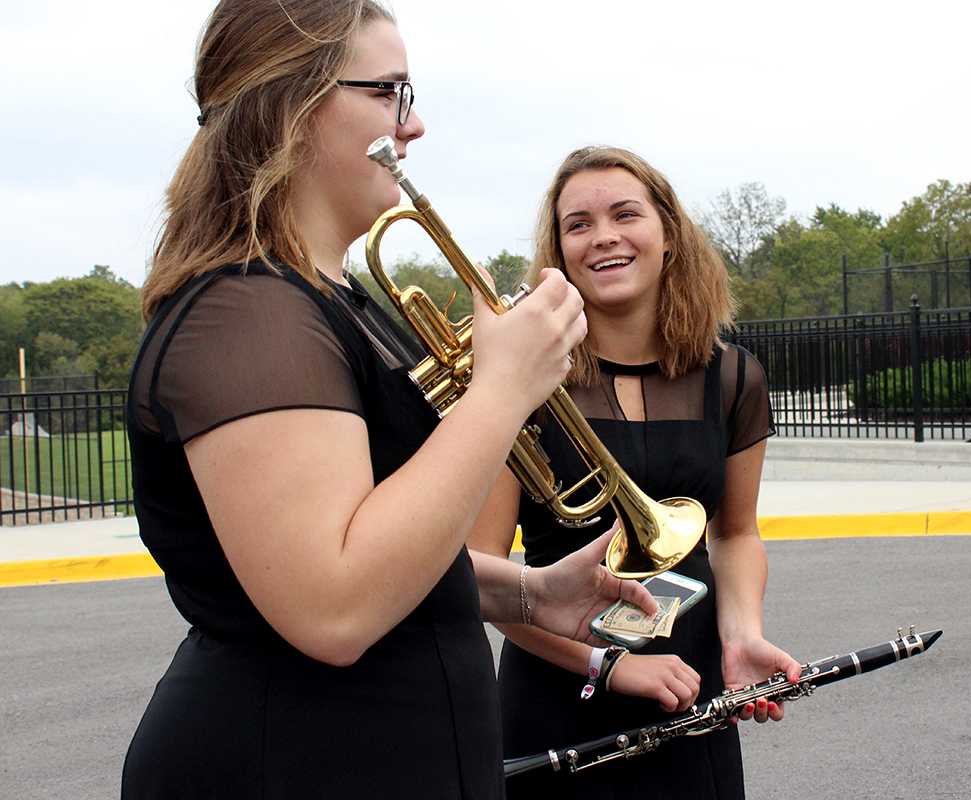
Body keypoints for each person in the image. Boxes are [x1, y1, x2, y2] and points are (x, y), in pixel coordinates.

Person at [121, 3, 656, 798]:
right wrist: (502, 390)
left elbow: (380, 534)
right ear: (294, 104)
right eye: (391, 92)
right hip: (291, 765)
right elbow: (334, 604)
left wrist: (527, 592)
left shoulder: (328, 297)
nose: (416, 126)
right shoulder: (248, 313)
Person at [468, 146, 803, 798]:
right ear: (560, 251)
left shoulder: (733, 378)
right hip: (555, 703)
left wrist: (742, 638)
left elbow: (734, 535)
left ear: (668, 233)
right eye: (579, 224)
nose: (604, 237)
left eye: (626, 214)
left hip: (691, 693)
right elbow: (479, 574)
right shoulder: (521, 377)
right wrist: (610, 665)